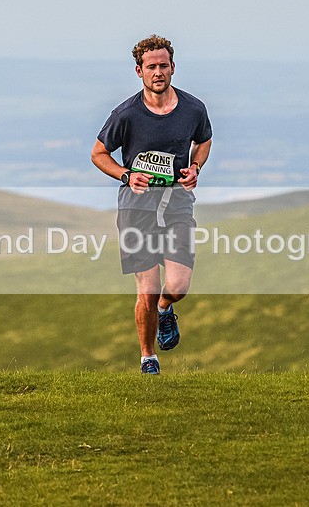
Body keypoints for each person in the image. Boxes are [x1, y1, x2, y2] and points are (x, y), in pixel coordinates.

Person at [91, 34, 212, 375]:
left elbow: (204, 141)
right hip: (137, 207)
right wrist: (126, 175)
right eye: (151, 67)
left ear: (173, 68)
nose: (158, 72)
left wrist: (196, 167)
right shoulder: (126, 114)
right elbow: (99, 154)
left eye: (163, 65)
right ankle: (148, 358)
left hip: (177, 203)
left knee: (177, 287)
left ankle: (165, 310)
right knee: (147, 288)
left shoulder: (193, 109)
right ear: (139, 71)